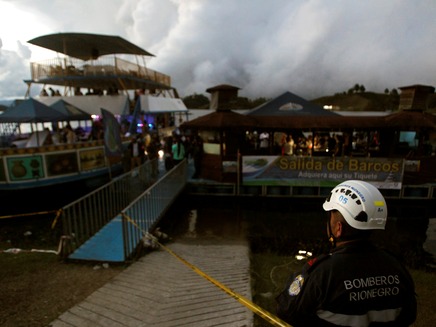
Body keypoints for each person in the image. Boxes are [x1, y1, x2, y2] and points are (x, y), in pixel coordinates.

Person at [276, 180, 417, 326]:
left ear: (338, 228)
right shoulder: (396, 266)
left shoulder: (322, 274)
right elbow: (409, 315)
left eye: (330, 215)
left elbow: (287, 311)